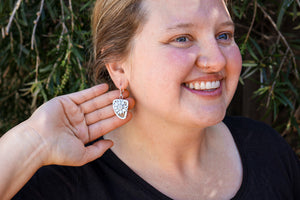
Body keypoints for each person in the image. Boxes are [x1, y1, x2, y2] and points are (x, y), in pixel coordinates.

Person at [0, 0, 299, 199]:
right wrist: (31, 141)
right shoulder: (61, 184)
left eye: (224, 35)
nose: (217, 61)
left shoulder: (267, 150)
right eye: (182, 38)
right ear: (118, 66)